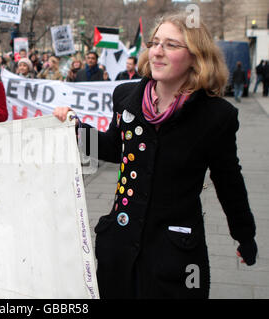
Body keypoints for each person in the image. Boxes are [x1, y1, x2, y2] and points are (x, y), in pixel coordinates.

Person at [53, 13, 257, 299]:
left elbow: (229, 182)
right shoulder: (127, 96)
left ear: (196, 57)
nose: (157, 51)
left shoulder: (216, 117)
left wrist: (244, 235)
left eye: (171, 45)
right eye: (155, 42)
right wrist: (75, 130)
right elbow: (114, 147)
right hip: (119, 247)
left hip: (175, 256)